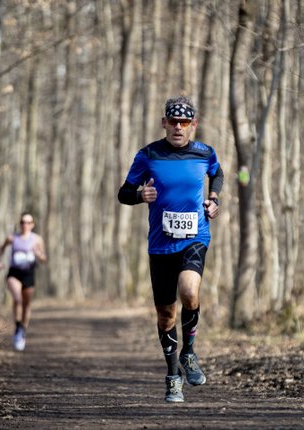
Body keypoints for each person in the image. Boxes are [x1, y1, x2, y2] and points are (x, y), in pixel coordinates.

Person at [118, 96, 224, 403]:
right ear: (164, 122)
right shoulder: (148, 154)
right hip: (160, 245)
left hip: (194, 238)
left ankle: (189, 352)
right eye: (173, 122)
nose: (178, 128)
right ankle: (172, 374)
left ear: (193, 125)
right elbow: (124, 193)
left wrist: (214, 199)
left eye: (184, 123)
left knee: (189, 291)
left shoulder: (204, 153)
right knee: (166, 314)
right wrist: (141, 194)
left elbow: (217, 173)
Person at [0, 212, 47, 351]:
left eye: (28, 222)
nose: (25, 225)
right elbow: (1, 249)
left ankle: (22, 331)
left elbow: (44, 259)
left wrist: (39, 255)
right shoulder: (12, 238)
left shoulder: (37, 239)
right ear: (20, 224)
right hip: (14, 273)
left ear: (33, 225)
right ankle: (18, 326)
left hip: (29, 274)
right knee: (17, 300)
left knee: (26, 304)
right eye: (23, 222)